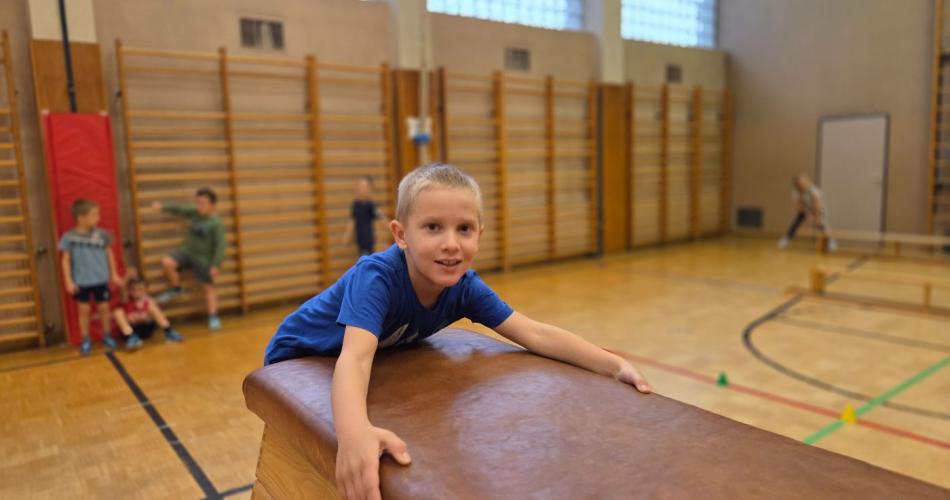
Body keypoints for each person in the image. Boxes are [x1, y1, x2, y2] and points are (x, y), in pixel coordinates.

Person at [264, 163, 652, 500]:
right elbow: (356, 357)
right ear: (401, 235)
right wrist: (353, 436)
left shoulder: (463, 287)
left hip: (369, 354)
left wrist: (612, 365)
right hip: (301, 355)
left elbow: (534, 333)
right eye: (433, 227)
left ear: (479, 235)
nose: (451, 244)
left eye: (464, 229)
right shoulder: (377, 277)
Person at [151, 187, 226, 331]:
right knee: (167, 262)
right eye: (198, 203)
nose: (199, 206)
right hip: (187, 252)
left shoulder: (216, 223)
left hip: (203, 259)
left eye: (203, 203)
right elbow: (179, 209)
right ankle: (176, 288)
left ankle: (213, 316)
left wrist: (216, 265)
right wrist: (162, 206)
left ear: (212, 205)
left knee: (208, 289)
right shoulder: (194, 213)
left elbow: (220, 245)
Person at [59, 199, 123, 355]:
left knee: (103, 308)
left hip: (101, 279)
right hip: (82, 281)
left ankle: (107, 335)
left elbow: (109, 254)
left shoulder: (101, 234)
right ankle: (85, 338)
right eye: (94, 214)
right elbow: (65, 260)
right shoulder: (69, 237)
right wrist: (68, 281)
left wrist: (113, 274)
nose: (98, 218)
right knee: (84, 310)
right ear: (80, 217)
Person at [113, 274, 183, 350]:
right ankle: (131, 338)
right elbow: (130, 318)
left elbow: (148, 317)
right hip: (132, 330)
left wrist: (142, 318)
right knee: (118, 312)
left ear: (146, 290)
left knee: (153, 308)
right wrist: (128, 276)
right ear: (129, 291)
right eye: (133, 289)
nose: (137, 292)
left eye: (140, 289)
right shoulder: (127, 301)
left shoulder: (149, 301)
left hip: (146, 328)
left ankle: (169, 331)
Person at [778, 174, 837, 251]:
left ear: (806, 182)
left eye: (803, 183)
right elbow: (799, 204)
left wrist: (817, 216)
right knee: (795, 222)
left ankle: (830, 242)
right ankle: (787, 239)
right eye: (799, 184)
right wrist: (807, 213)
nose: (801, 185)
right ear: (797, 185)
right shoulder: (796, 191)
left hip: (818, 208)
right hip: (806, 208)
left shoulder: (814, 190)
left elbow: (817, 204)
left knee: (821, 225)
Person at [341, 175, 387, 257]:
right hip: (359, 241)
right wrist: (346, 236)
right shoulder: (355, 205)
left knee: (367, 259)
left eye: (364, 187)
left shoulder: (371, 205)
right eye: (359, 186)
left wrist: (389, 227)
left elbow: (381, 218)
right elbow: (352, 221)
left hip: (368, 241)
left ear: (369, 189)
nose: (361, 189)